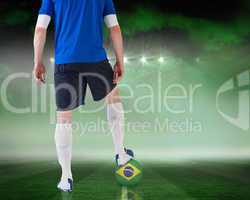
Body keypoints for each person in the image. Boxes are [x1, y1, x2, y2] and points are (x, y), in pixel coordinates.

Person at [33, 0, 133, 192]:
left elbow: (40, 30)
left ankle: (65, 177)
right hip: (95, 60)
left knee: (63, 118)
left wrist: (37, 62)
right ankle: (121, 154)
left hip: (65, 61)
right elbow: (115, 29)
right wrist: (120, 62)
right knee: (114, 100)